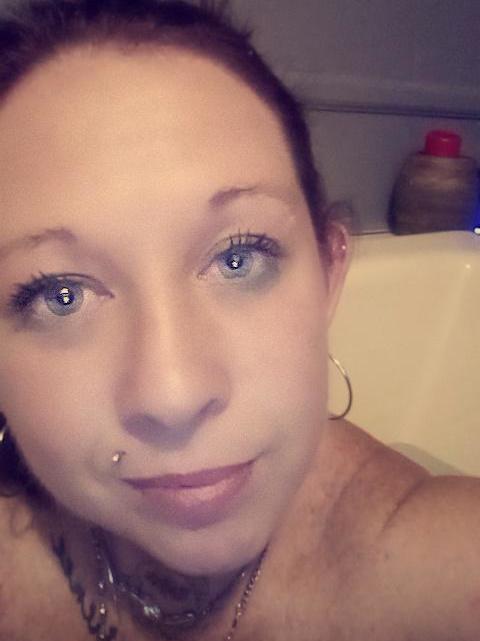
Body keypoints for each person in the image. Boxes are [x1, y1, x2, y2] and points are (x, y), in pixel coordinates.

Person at [0, 1, 478, 640]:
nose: (173, 397)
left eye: (237, 258)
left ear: (329, 273)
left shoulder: (443, 572)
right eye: (61, 295)